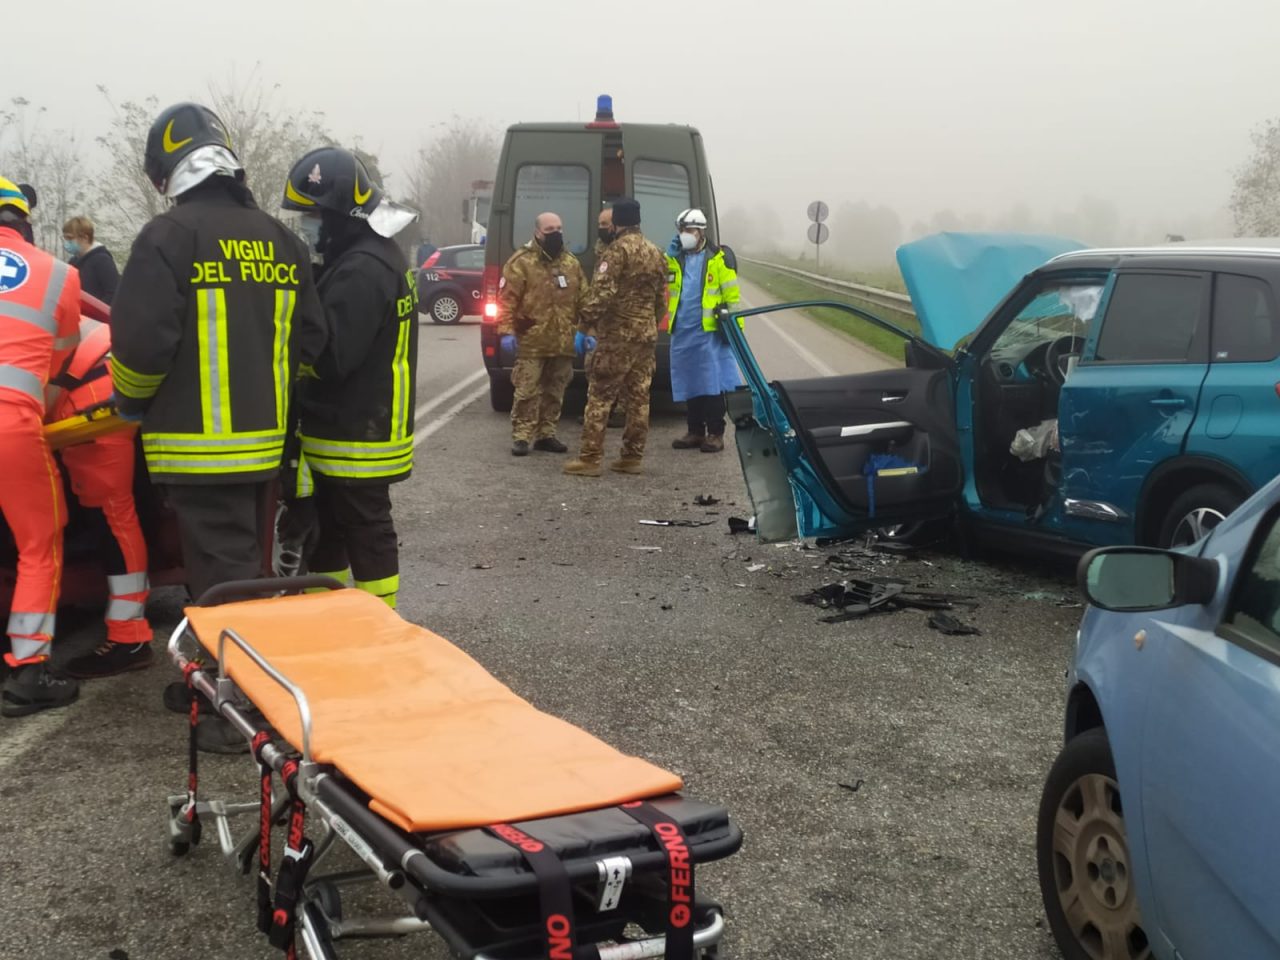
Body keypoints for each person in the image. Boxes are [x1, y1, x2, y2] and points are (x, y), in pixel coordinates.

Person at [109, 103, 326, 750]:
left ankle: (241, 714)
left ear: (169, 172)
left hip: (196, 448)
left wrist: (129, 404)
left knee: (220, 582)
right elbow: (311, 339)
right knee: (240, 571)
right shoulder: (282, 239)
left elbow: (141, 350)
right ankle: (216, 680)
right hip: (264, 445)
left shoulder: (167, 239)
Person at [280, 146, 420, 609]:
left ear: (341, 213)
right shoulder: (368, 255)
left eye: (313, 215)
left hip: (356, 432)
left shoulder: (362, 268)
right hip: (358, 425)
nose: (307, 225)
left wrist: (285, 350)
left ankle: (380, 622)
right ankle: (334, 616)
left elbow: (331, 356)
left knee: (365, 529)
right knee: (335, 527)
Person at [0, 175, 82, 717]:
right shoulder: (61, 274)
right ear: (24, 221)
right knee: (40, 542)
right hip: (10, 424)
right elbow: (60, 364)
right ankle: (29, 672)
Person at [47, 321, 155, 678]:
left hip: (87, 399)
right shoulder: (28, 281)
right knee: (113, 515)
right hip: (102, 374)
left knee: (112, 516)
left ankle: (129, 638)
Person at [564, 197, 667, 477]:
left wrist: (584, 326)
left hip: (616, 337)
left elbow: (601, 296)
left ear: (618, 223)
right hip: (645, 336)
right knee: (638, 397)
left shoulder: (616, 252)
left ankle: (590, 459)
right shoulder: (656, 252)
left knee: (600, 395)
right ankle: (632, 457)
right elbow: (661, 301)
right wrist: (648, 324)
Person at [498, 212, 586, 456]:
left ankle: (547, 434)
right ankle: (522, 436)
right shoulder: (521, 262)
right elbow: (506, 302)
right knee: (527, 391)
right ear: (537, 232)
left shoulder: (570, 263)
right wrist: (506, 332)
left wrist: (586, 330)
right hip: (531, 341)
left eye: (559, 228)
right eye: (549, 229)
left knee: (555, 390)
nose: (555, 233)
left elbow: (584, 299)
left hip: (562, 341)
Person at [665, 208, 741, 452]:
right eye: (682, 231)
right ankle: (694, 431)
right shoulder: (676, 258)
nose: (684, 235)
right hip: (683, 330)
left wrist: (733, 330)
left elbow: (732, 295)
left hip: (708, 332)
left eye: (688, 230)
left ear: (700, 232)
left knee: (712, 383)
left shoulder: (718, 259)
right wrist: (668, 258)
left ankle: (715, 433)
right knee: (690, 381)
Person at [63, 216, 120, 304]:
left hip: (97, 316)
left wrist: (96, 312)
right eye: (65, 238)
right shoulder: (73, 262)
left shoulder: (102, 260)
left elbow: (113, 293)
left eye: (70, 238)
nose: (66, 243)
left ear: (85, 238)